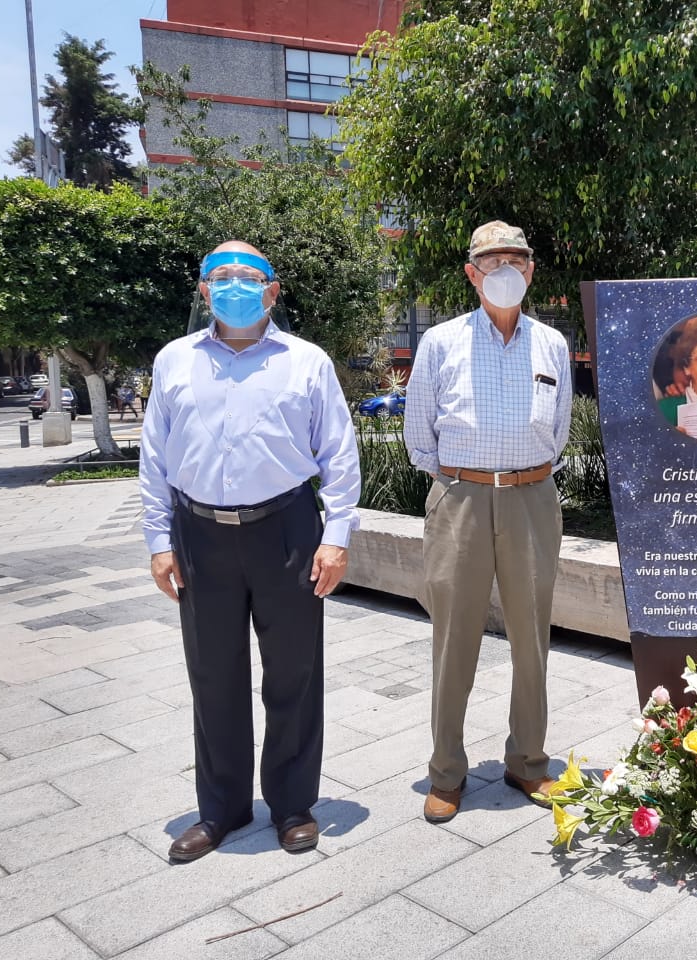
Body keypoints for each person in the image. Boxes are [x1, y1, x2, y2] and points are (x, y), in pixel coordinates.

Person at [139, 240, 361, 862]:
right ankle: (223, 809)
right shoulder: (174, 361)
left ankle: (292, 805)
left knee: (293, 671)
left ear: (272, 290)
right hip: (198, 532)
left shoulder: (307, 362)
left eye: (250, 275)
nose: (236, 285)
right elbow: (154, 458)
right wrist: (160, 542)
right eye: (222, 275)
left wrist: (337, 537)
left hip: (286, 528)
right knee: (213, 673)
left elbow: (339, 456)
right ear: (204, 289)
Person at [404, 220, 573, 823]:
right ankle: (446, 771)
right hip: (462, 499)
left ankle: (528, 761)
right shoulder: (441, 343)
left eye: (516, 261)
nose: (506, 270)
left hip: (532, 499)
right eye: (492, 261)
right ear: (472, 274)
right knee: (454, 640)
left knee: (533, 639)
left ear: (530, 271)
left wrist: (523, 477)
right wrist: (459, 482)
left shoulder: (551, 344)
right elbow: (417, 434)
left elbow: (560, 428)